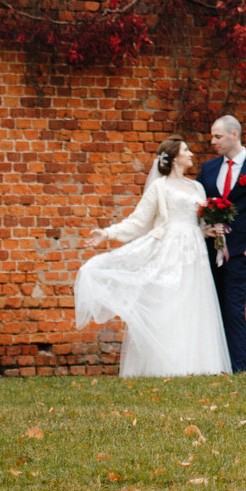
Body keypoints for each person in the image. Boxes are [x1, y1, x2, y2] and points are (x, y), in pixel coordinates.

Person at [73, 137, 232, 378]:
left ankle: (198, 366)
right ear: (175, 157)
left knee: (195, 305)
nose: (191, 154)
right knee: (170, 305)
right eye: (186, 150)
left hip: (195, 252)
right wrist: (106, 233)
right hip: (169, 251)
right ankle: (166, 367)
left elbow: (197, 223)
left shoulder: (197, 188)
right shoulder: (160, 188)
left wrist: (209, 230)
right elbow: (138, 222)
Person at [201, 115, 246, 373]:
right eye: (212, 136)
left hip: (238, 254)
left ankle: (238, 369)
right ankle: (212, 365)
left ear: (234, 135)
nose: (213, 142)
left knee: (234, 311)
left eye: (217, 136)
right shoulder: (209, 169)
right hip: (208, 254)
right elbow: (198, 208)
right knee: (210, 309)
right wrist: (205, 229)